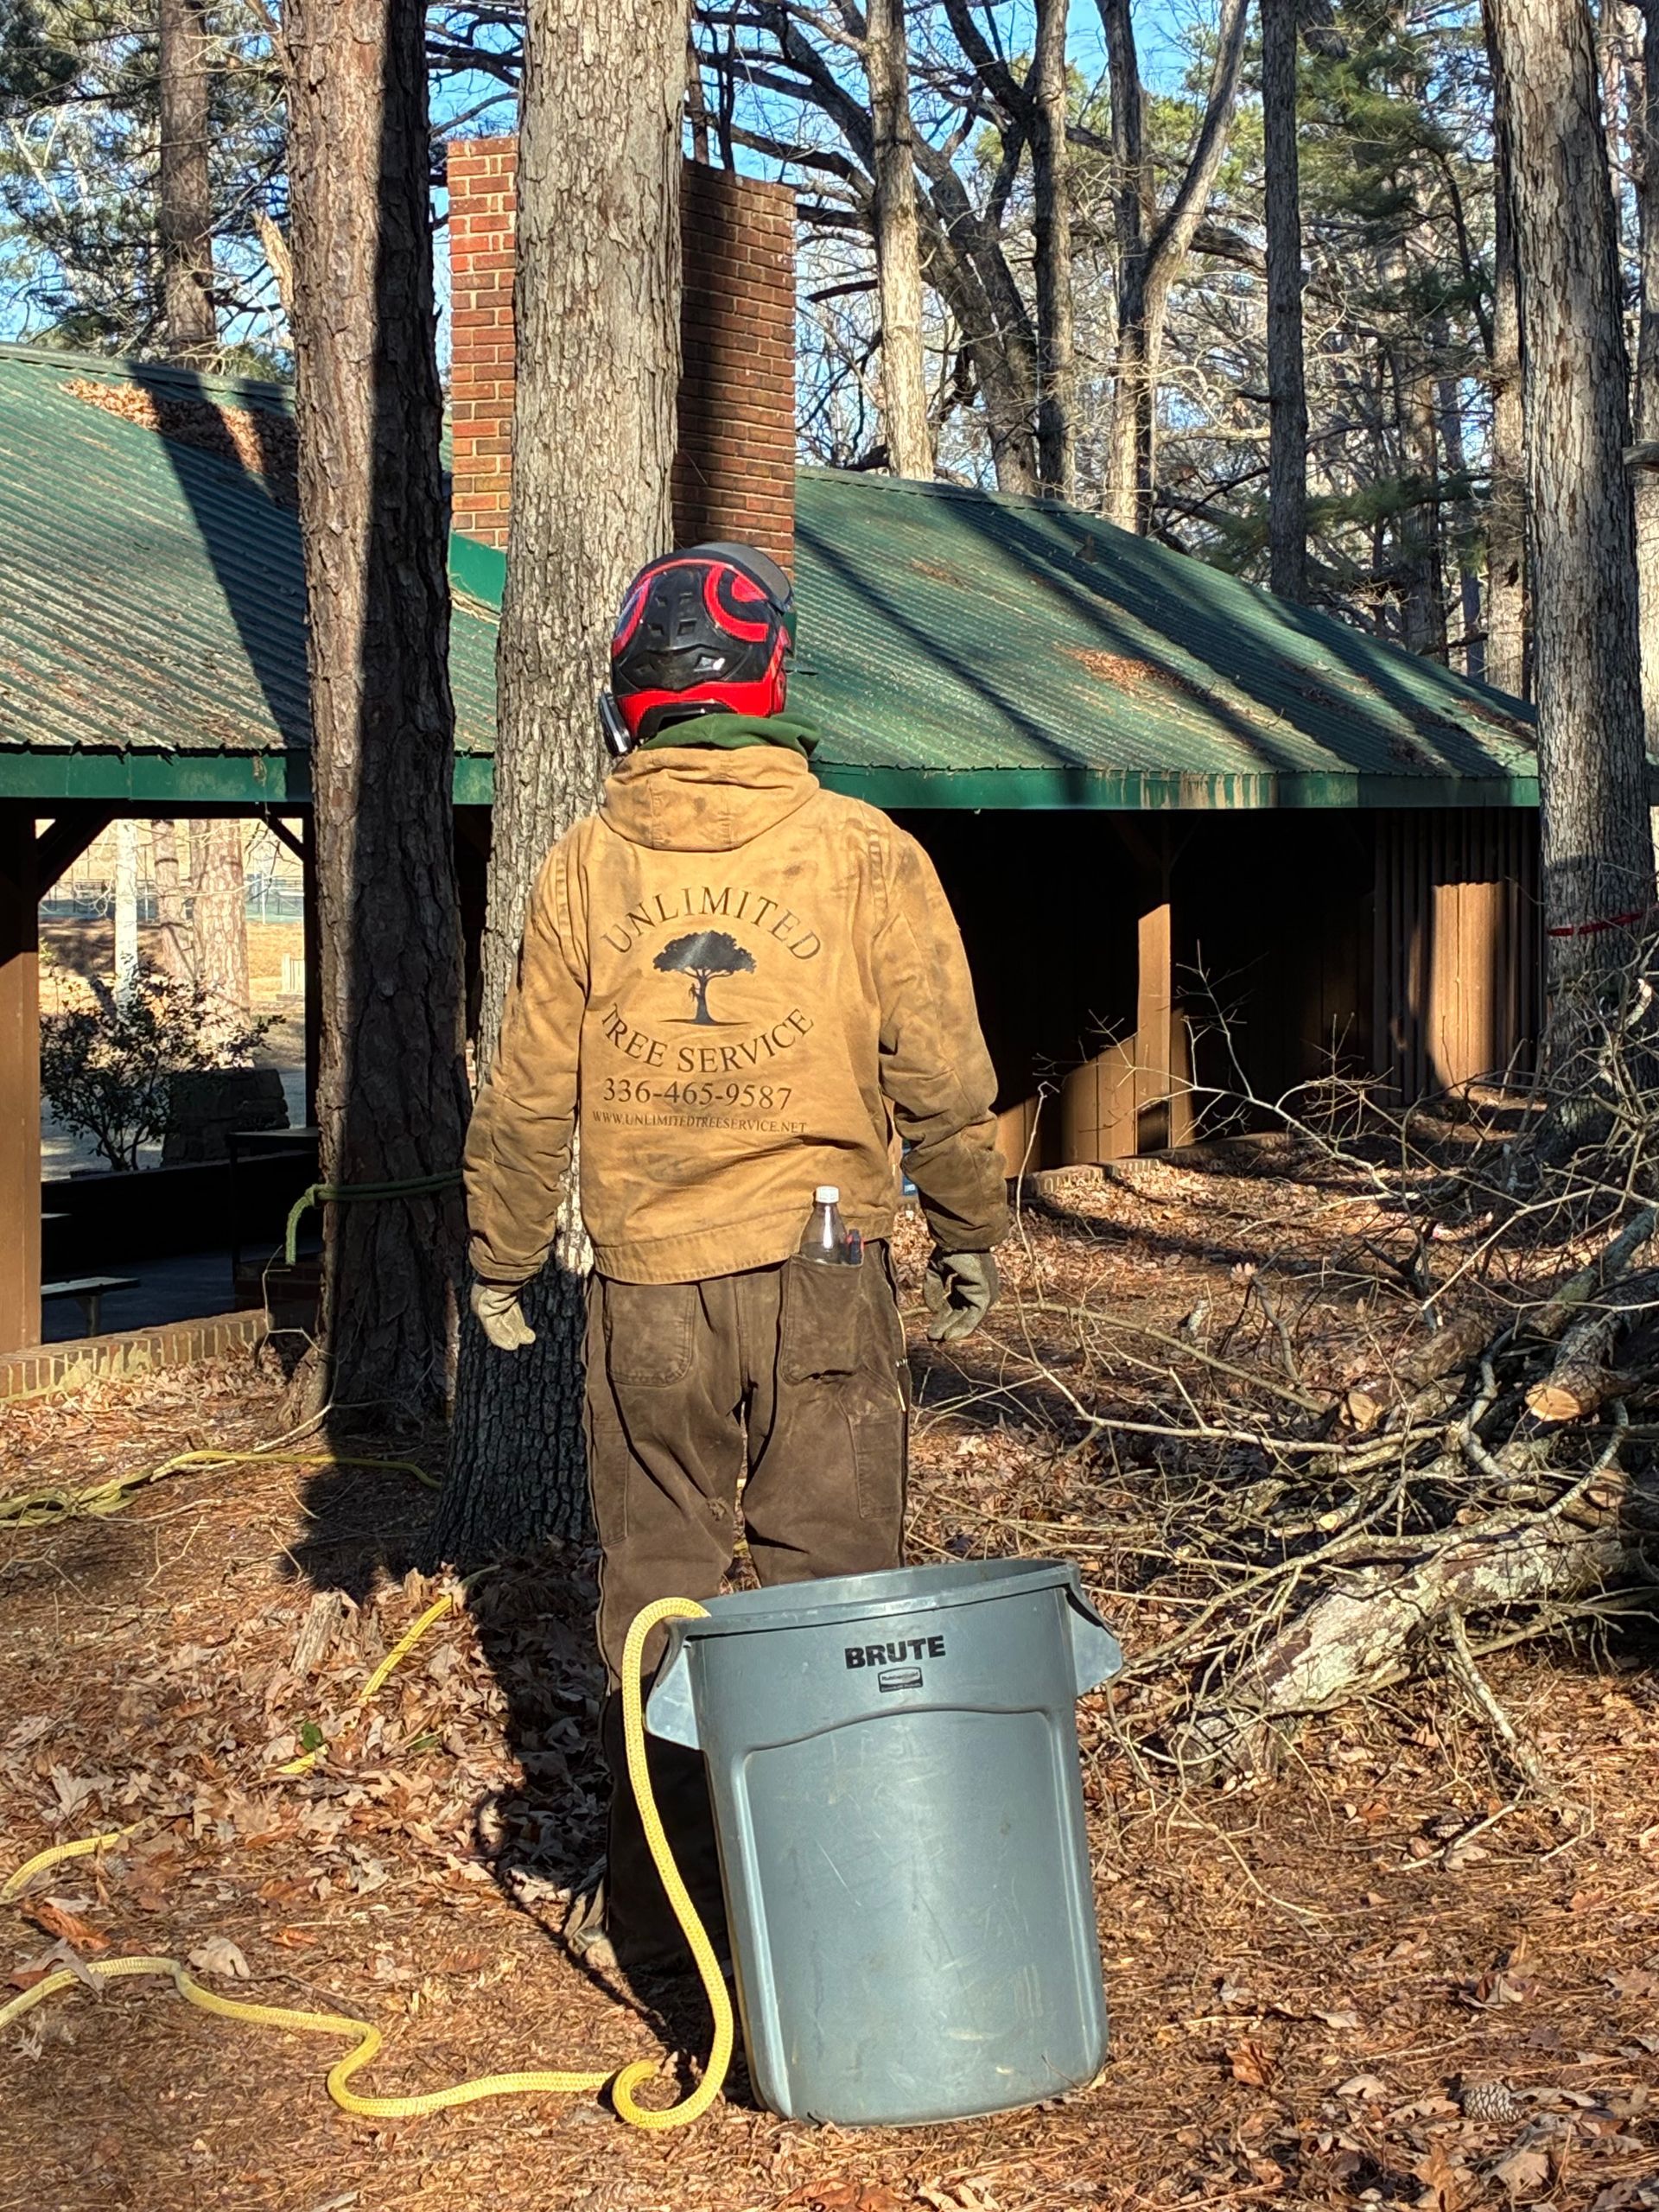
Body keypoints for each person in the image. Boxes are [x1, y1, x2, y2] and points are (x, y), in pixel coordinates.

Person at [461, 541, 1007, 1970]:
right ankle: (845, 1925)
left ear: (629, 706)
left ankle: (668, 1935)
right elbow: (945, 1073)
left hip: (646, 1290)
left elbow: (527, 1092)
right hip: (828, 1271)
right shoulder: (864, 852)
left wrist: (498, 1258)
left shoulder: (585, 868)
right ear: (770, 695)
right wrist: (968, 1231)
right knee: (837, 1595)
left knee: (656, 1606)